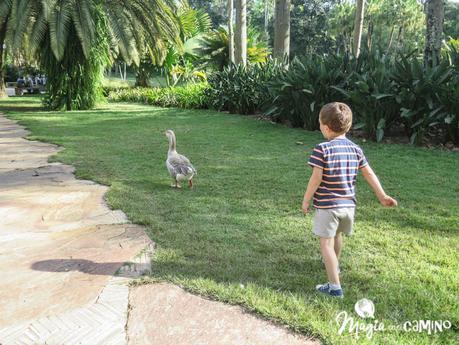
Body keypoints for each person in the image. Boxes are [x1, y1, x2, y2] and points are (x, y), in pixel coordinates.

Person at [302, 102, 397, 298]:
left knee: (325, 244)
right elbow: (369, 174)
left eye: (320, 124)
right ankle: (334, 267)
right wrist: (382, 195)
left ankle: (334, 287)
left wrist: (306, 200)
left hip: (328, 206)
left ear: (326, 127)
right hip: (348, 207)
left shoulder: (322, 149)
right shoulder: (355, 149)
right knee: (337, 237)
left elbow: (316, 178)